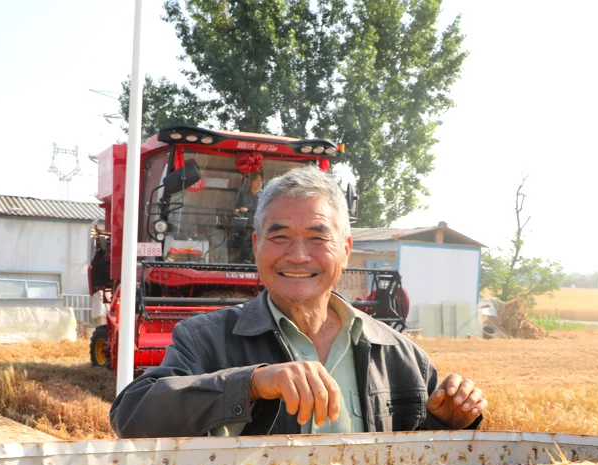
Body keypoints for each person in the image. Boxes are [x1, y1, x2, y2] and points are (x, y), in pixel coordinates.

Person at [111, 166, 487, 438]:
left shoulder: (400, 355)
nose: (297, 255)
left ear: (345, 249)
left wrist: (449, 420)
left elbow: (418, 462)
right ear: (256, 247)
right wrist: (253, 383)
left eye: (317, 238)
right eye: (280, 237)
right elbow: (132, 417)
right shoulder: (203, 339)